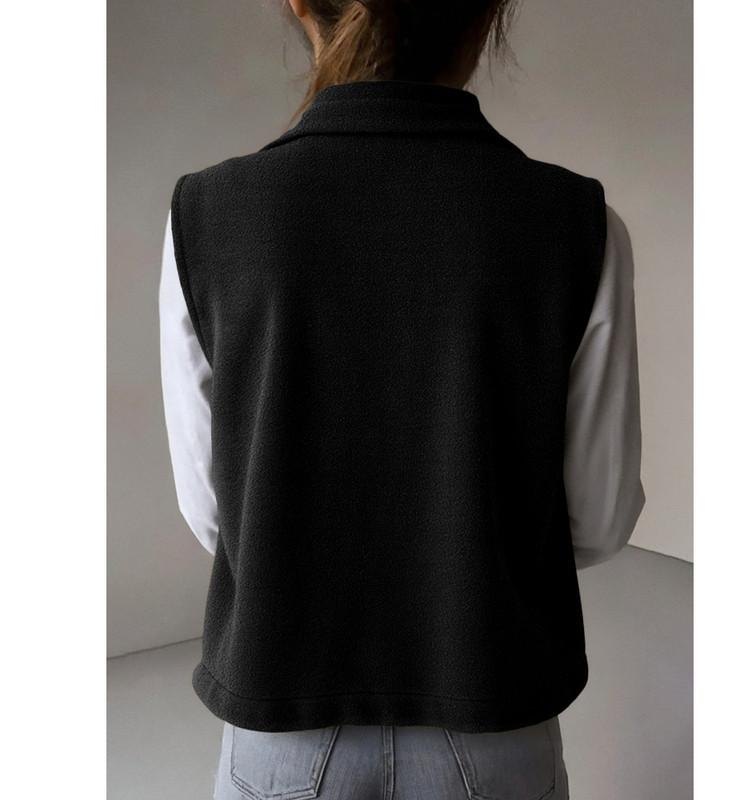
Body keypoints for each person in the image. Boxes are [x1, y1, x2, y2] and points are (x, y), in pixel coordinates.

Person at [159, 1, 645, 797]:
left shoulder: (206, 215)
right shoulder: (576, 222)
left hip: (282, 719)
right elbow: (599, 516)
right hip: (493, 710)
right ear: (489, 12)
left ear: (300, 6)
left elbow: (213, 510)